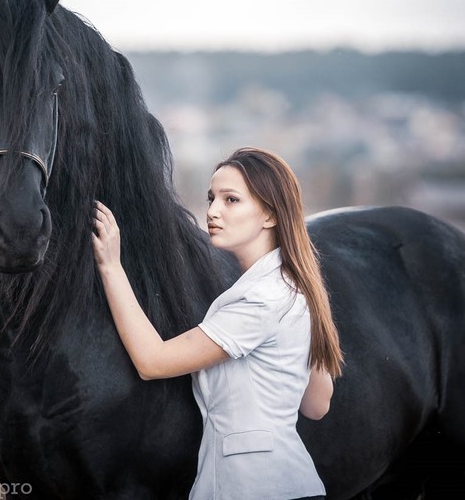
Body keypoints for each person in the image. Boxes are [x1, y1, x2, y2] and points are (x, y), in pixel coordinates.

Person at [92, 147, 344, 500]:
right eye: (211, 198)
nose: (212, 212)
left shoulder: (261, 299)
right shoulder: (292, 290)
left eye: (231, 200)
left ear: (270, 214)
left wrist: (110, 267)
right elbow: (317, 405)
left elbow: (153, 361)